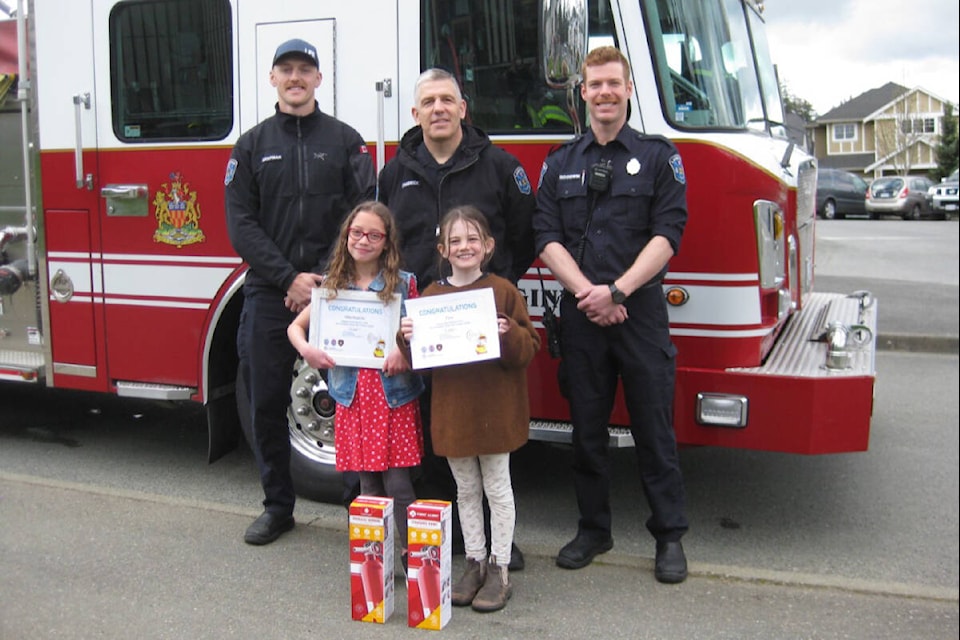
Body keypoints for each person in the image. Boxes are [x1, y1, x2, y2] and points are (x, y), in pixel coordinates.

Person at [532, 45, 690, 583]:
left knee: (653, 428)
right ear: (582, 92)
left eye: (612, 84)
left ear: (627, 90)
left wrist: (617, 292)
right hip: (583, 315)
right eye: (594, 84)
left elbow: (668, 235)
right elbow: (545, 237)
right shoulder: (560, 162)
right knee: (587, 430)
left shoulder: (658, 157)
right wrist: (589, 295)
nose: (603, 93)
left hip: (639, 312)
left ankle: (669, 536)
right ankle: (593, 529)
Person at [378, 67, 536, 571]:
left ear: (463, 108)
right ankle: (451, 543)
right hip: (421, 328)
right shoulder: (393, 173)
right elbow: (384, 244)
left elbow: (524, 235)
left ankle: (497, 546)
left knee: (486, 435)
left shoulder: (499, 165)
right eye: (429, 101)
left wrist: (488, 301)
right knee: (437, 433)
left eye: (448, 99)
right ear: (415, 113)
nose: (439, 108)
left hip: (480, 330)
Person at [225, 38, 375, 545]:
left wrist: (324, 281)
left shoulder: (346, 141)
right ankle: (277, 506)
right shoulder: (250, 145)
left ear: (318, 79)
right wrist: (288, 278)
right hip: (271, 293)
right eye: (286, 70)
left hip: (339, 292)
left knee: (353, 399)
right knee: (266, 400)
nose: (295, 78)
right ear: (272, 79)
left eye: (304, 70)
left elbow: (363, 218)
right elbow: (240, 224)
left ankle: (362, 504)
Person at [400, 206, 540, 612]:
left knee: (497, 489)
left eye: (473, 239)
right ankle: (474, 562)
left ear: (489, 246)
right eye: (455, 241)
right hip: (455, 411)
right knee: (465, 490)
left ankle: (500, 569)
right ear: (442, 249)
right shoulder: (430, 296)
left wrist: (509, 332)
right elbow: (418, 361)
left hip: (495, 410)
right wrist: (407, 337)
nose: (465, 247)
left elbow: (529, 349)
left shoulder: (503, 291)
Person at [288, 201, 424, 564]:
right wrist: (309, 352)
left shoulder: (404, 284)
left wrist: (403, 352)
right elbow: (295, 327)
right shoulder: (334, 285)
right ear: (347, 235)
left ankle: (415, 560)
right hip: (354, 397)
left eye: (374, 235)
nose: (364, 240)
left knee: (398, 483)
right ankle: (375, 564)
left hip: (391, 396)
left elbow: (421, 336)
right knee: (368, 484)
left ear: (386, 242)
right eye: (357, 232)